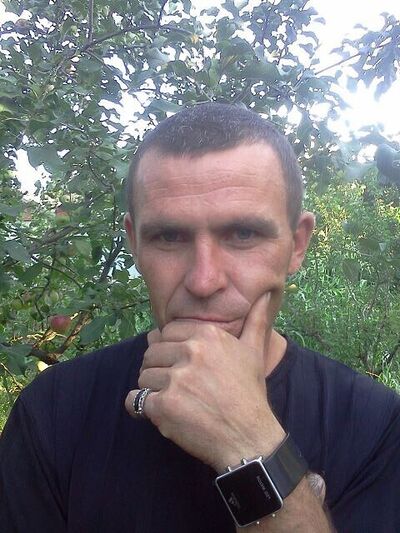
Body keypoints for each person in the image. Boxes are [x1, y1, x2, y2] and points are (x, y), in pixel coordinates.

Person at [0, 103, 399, 532]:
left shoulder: (374, 425)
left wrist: (249, 440)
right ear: (135, 244)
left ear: (297, 245)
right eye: (169, 236)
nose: (204, 280)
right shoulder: (53, 413)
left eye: (243, 234)